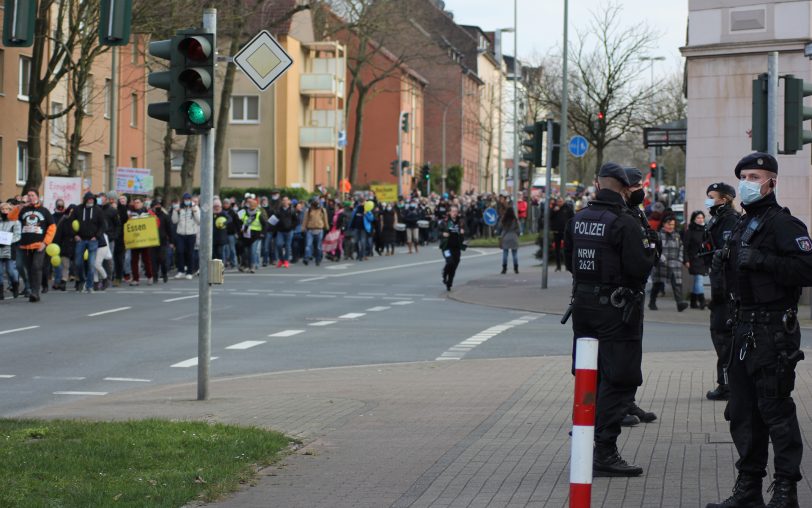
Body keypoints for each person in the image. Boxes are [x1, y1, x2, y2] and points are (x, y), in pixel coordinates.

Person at [707, 153, 812, 508]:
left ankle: (786, 490)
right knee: (742, 413)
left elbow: (807, 270)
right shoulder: (740, 224)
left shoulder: (784, 225)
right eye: (744, 176)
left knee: (775, 411)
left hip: (772, 332)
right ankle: (748, 486)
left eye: (755, 176)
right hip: (742, 329)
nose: (747, 182)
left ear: (772, 182)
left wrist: (763, 261)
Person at [563, 162, 654, 477]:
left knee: (590, 374)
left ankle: (585, 435)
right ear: (626, 189)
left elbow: (570, 262)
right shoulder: (625, 222)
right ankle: (604, 451)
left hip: (584, 307)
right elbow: (640, 266)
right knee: (620, 378)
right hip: (617, 311)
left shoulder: (577, 219)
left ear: (596, 184)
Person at [621, 167, 660, 427]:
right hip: (622, 293)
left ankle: (627, 400)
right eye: (635, 187)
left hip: (637, 291)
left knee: (633, 351)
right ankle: (615, 406)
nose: (639, 190)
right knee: (619, 354)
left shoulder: (637, 212)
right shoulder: (621, 215)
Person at [703, 182, 739, 402]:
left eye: (712, 196)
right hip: (720, 290)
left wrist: (719, 294)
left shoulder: (730, 220)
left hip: (726, 292)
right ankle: (726, 383)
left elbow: (726, 261)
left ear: (724, 199)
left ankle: (727, 385)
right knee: (721, 337)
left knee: (724, 337)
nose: (708, 200)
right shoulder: (716, 219)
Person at [10, 189, 55, 302]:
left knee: (36, 267)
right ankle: (32, 290)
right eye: (28, 195)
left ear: (37, 197)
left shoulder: (44, 211)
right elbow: (11, 218)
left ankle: (35, 292)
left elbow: (52, 227)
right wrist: (17, 208)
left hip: (39, 245)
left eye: (32, 195)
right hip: (25, 245)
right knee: (29, 269)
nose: (30, 197)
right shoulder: (23, 209)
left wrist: (45, 243)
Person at [649, 216, 689, 312]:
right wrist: (662, 258)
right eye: (669, 224)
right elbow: (654, 249)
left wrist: (680, 259)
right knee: (657, 284)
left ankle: (680, 303)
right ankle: (652, 302)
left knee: (677, 284)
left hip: (675, 264)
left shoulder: (677, 235)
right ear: (664, 224)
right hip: (661, 264)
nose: (671, 226)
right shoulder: (658, 235)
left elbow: (681, 247)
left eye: (673, 225)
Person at [74, 192, 105, 293]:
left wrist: (96, 236)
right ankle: (82, 280)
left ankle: (89, 285)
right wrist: (75, 235)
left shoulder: (98, 210)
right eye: (88, 199)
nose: (90, 200)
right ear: (85, 200)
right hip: (80, 239)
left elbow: (102, 225)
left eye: (92, 199)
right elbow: (71, 222)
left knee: (91, 264)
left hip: (93, 240)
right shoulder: (78, 209)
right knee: (78, 262)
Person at [125, 197, 155, 286]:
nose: (136, 204)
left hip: (144, 240)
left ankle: (150, 277)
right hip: (135, 240)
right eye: (135, 202)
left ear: (142, 203)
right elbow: (127, 225)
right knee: (134, 260)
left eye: (138, 202)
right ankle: (135, 279)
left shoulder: (147, 212)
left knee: (146, 260)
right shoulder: (130, 213)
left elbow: (152, 224)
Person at [171, 192, 200, 279]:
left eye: (188, 199)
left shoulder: (195, 207)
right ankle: (181, 271)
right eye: (185, 199)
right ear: (183, 200)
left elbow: (199, 221)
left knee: (190, 253)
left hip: (191, 234)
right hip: (180, 234)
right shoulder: (178, 207)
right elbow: (174, 221)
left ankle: (189, 272)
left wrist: (195, 212)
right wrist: (176, 212)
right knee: (180, 252)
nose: (187, 201)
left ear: (190, 200)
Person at [684, 210, 708, 309]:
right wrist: (686, 260)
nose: (700, 219)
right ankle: (702, 301)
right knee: (699, 279)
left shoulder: (706, 230)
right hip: (694, 259)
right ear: (694, 219)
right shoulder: (690, 231)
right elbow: (685, 247)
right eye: (698, 217)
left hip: (704, 259)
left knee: (697, 280)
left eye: (702, 217)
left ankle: (693, 302)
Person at [439, 205, 465, 291]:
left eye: (456, 211)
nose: (454, 213)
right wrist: (442, 234)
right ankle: (444, 273)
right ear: (449, 212)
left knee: (454, 265)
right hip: (447, 247)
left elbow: (467, 232)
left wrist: (462, 233)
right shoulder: (445, 221)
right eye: (453, 211)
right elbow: (438, 230)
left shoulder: (460, 222)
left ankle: (449, 283)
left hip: (456, 247)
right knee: (450, 262)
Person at [0, 201, 21, 300]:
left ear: (10, 210)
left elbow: (17, 236)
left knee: (10, 270)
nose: (4, 211)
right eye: (2, 209)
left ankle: (15, 284)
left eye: (6, 209)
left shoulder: (15, 221)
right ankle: (0, 292)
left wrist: (7, 241)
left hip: (10, 248)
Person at [303, 197, 328, 266]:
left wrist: (327, 227)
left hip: (319, 229)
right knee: (308, 245)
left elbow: (325, 219)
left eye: (317, 201)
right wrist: (303, 228)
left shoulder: (322, 210)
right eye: (314, 201)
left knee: (318, 246)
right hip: (310, 229)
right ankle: (306, 258)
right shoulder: (309, 210)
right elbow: (305, 220)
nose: (316, 203)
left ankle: (318, 259)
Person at [498, 206, 520, 274]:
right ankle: (516, 268)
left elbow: (499, 227)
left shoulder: (503, 219)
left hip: (505, 237)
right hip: (514, 237)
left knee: (505, 253)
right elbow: (519, 230)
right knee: (514, 254)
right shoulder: (515, 220)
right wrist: (517, 235)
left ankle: (504, 268)